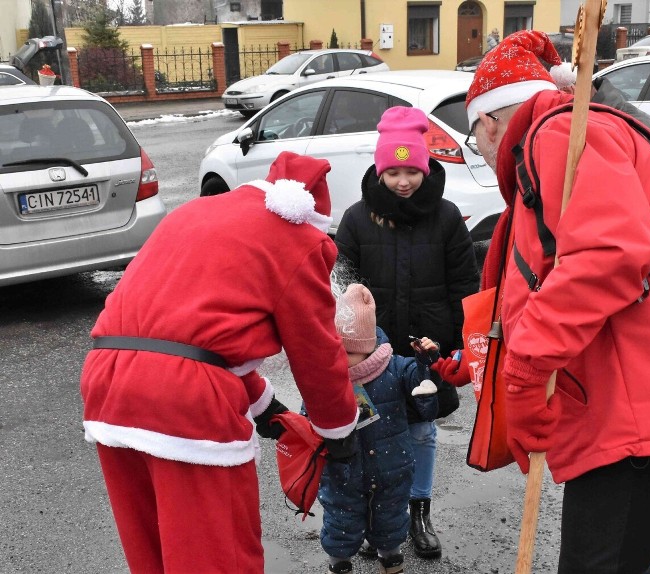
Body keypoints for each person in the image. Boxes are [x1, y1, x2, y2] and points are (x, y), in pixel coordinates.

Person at [463, 30, 650, 573]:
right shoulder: (572, 132)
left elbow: (613, 253)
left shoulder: (558, 135)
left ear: (488, 122)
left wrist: (525, 373)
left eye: (473, 135)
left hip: (641, 420)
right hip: (647, 410)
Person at [79, 151, 360, 574]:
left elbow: (190, 330)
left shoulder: (196, 213)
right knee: (217, 553)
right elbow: (317, 353)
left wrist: (265, 405)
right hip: (186, 403)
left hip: (106, 380)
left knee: (151, 545)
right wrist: (337, 429)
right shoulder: (297, 240)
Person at [334, 106, 480, 560]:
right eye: (393, 171)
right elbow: (339, 284)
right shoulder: (358, 218)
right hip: (366, 354)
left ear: (425, 167)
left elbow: (465, 286)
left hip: (425, 350)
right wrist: (345, 344)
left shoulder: (447, 216)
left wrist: (456, 343)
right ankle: (368, 514)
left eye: (411, 171)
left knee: (420, 431)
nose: (403, 181)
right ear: (379, 170)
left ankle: (417, 508)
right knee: (365, 431)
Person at [315, 282, 441, 574]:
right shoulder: (327, 377)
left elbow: (423, 396)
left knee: (390, 519)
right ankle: (339, 563)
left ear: (367, 345)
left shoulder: (396, 367)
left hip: (391, 467)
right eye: (336, 351)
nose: (341, 360)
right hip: (342, 472)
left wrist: (425, 368)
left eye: (348, 352)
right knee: (340, 522)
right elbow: (310, 416)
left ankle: (390, 558)